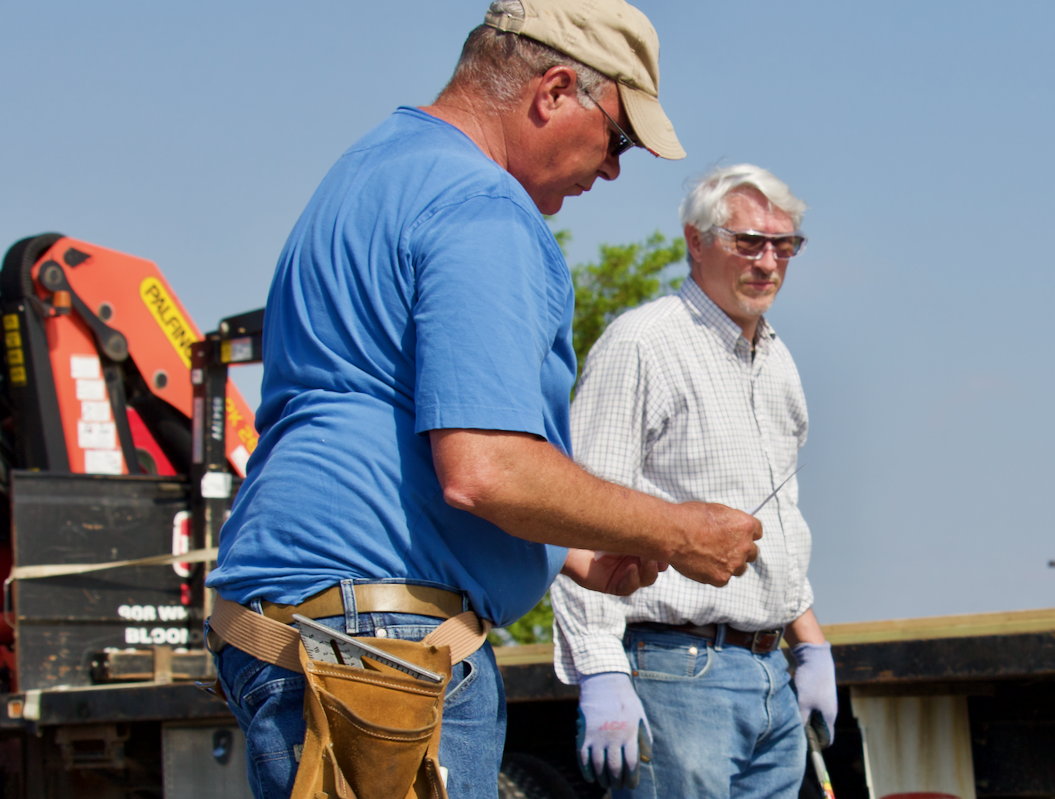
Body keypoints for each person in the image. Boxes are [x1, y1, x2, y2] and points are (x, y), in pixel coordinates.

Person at [203, 3, 763, 797]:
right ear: (555, 90)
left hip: (306, 620)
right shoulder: (483, 205)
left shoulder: (372, 169)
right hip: (383, 643)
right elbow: (485, 467)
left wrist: (569, 548)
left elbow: (380, 407)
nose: (613, 168)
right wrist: (678, 530)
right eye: (620, 137)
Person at [551, 164, 839, 798]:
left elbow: (780, 523)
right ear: (695, 239)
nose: (768, 261)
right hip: (676, 673)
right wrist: (600, 672)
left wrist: (810, 647)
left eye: (783, 244)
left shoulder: (779, 362)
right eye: (748, 241)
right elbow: (577, 514)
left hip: (768, 674)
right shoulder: (643, 344)